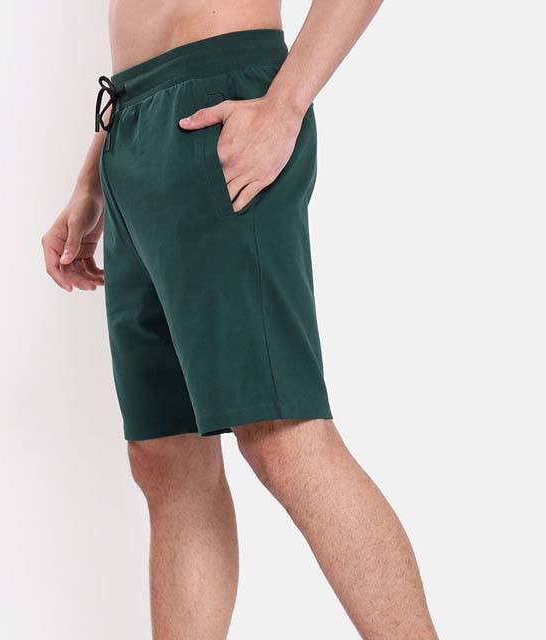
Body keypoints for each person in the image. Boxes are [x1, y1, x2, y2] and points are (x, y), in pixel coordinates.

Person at [42, 1, 439, 638]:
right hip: (130, 123)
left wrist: (285, 105)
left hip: (220, 104)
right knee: (165, 455)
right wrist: (93, 175)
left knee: (283, 433)